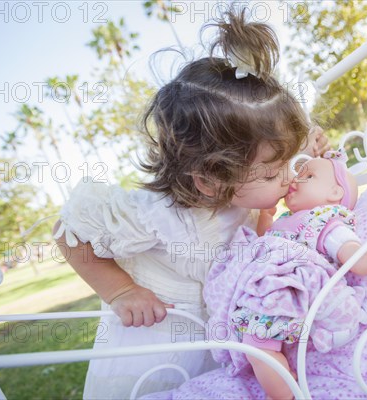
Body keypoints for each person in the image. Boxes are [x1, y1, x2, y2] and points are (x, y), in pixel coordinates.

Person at [52, 9, 329, 399]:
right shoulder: (154, 213)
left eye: (285, 165)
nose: (286, 177)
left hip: (213, 335)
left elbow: (266, 171)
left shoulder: (242, 182)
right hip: (152, 345)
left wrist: (307, 151)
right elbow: (70, 231)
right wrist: (121, 292)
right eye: (272, 174)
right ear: (209, 181)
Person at [219, 153, 367, 400]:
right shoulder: (287, 220)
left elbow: (357, 261)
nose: (297, 180)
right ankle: (284, 385)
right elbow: (266, 240)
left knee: (258, 345)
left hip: (290, 288)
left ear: (334, 193)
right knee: (255, 345)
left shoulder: (325, 222)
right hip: (270, 286)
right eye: (299, 174)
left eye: (309, 176)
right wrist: (267, 219)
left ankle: (285, 395)